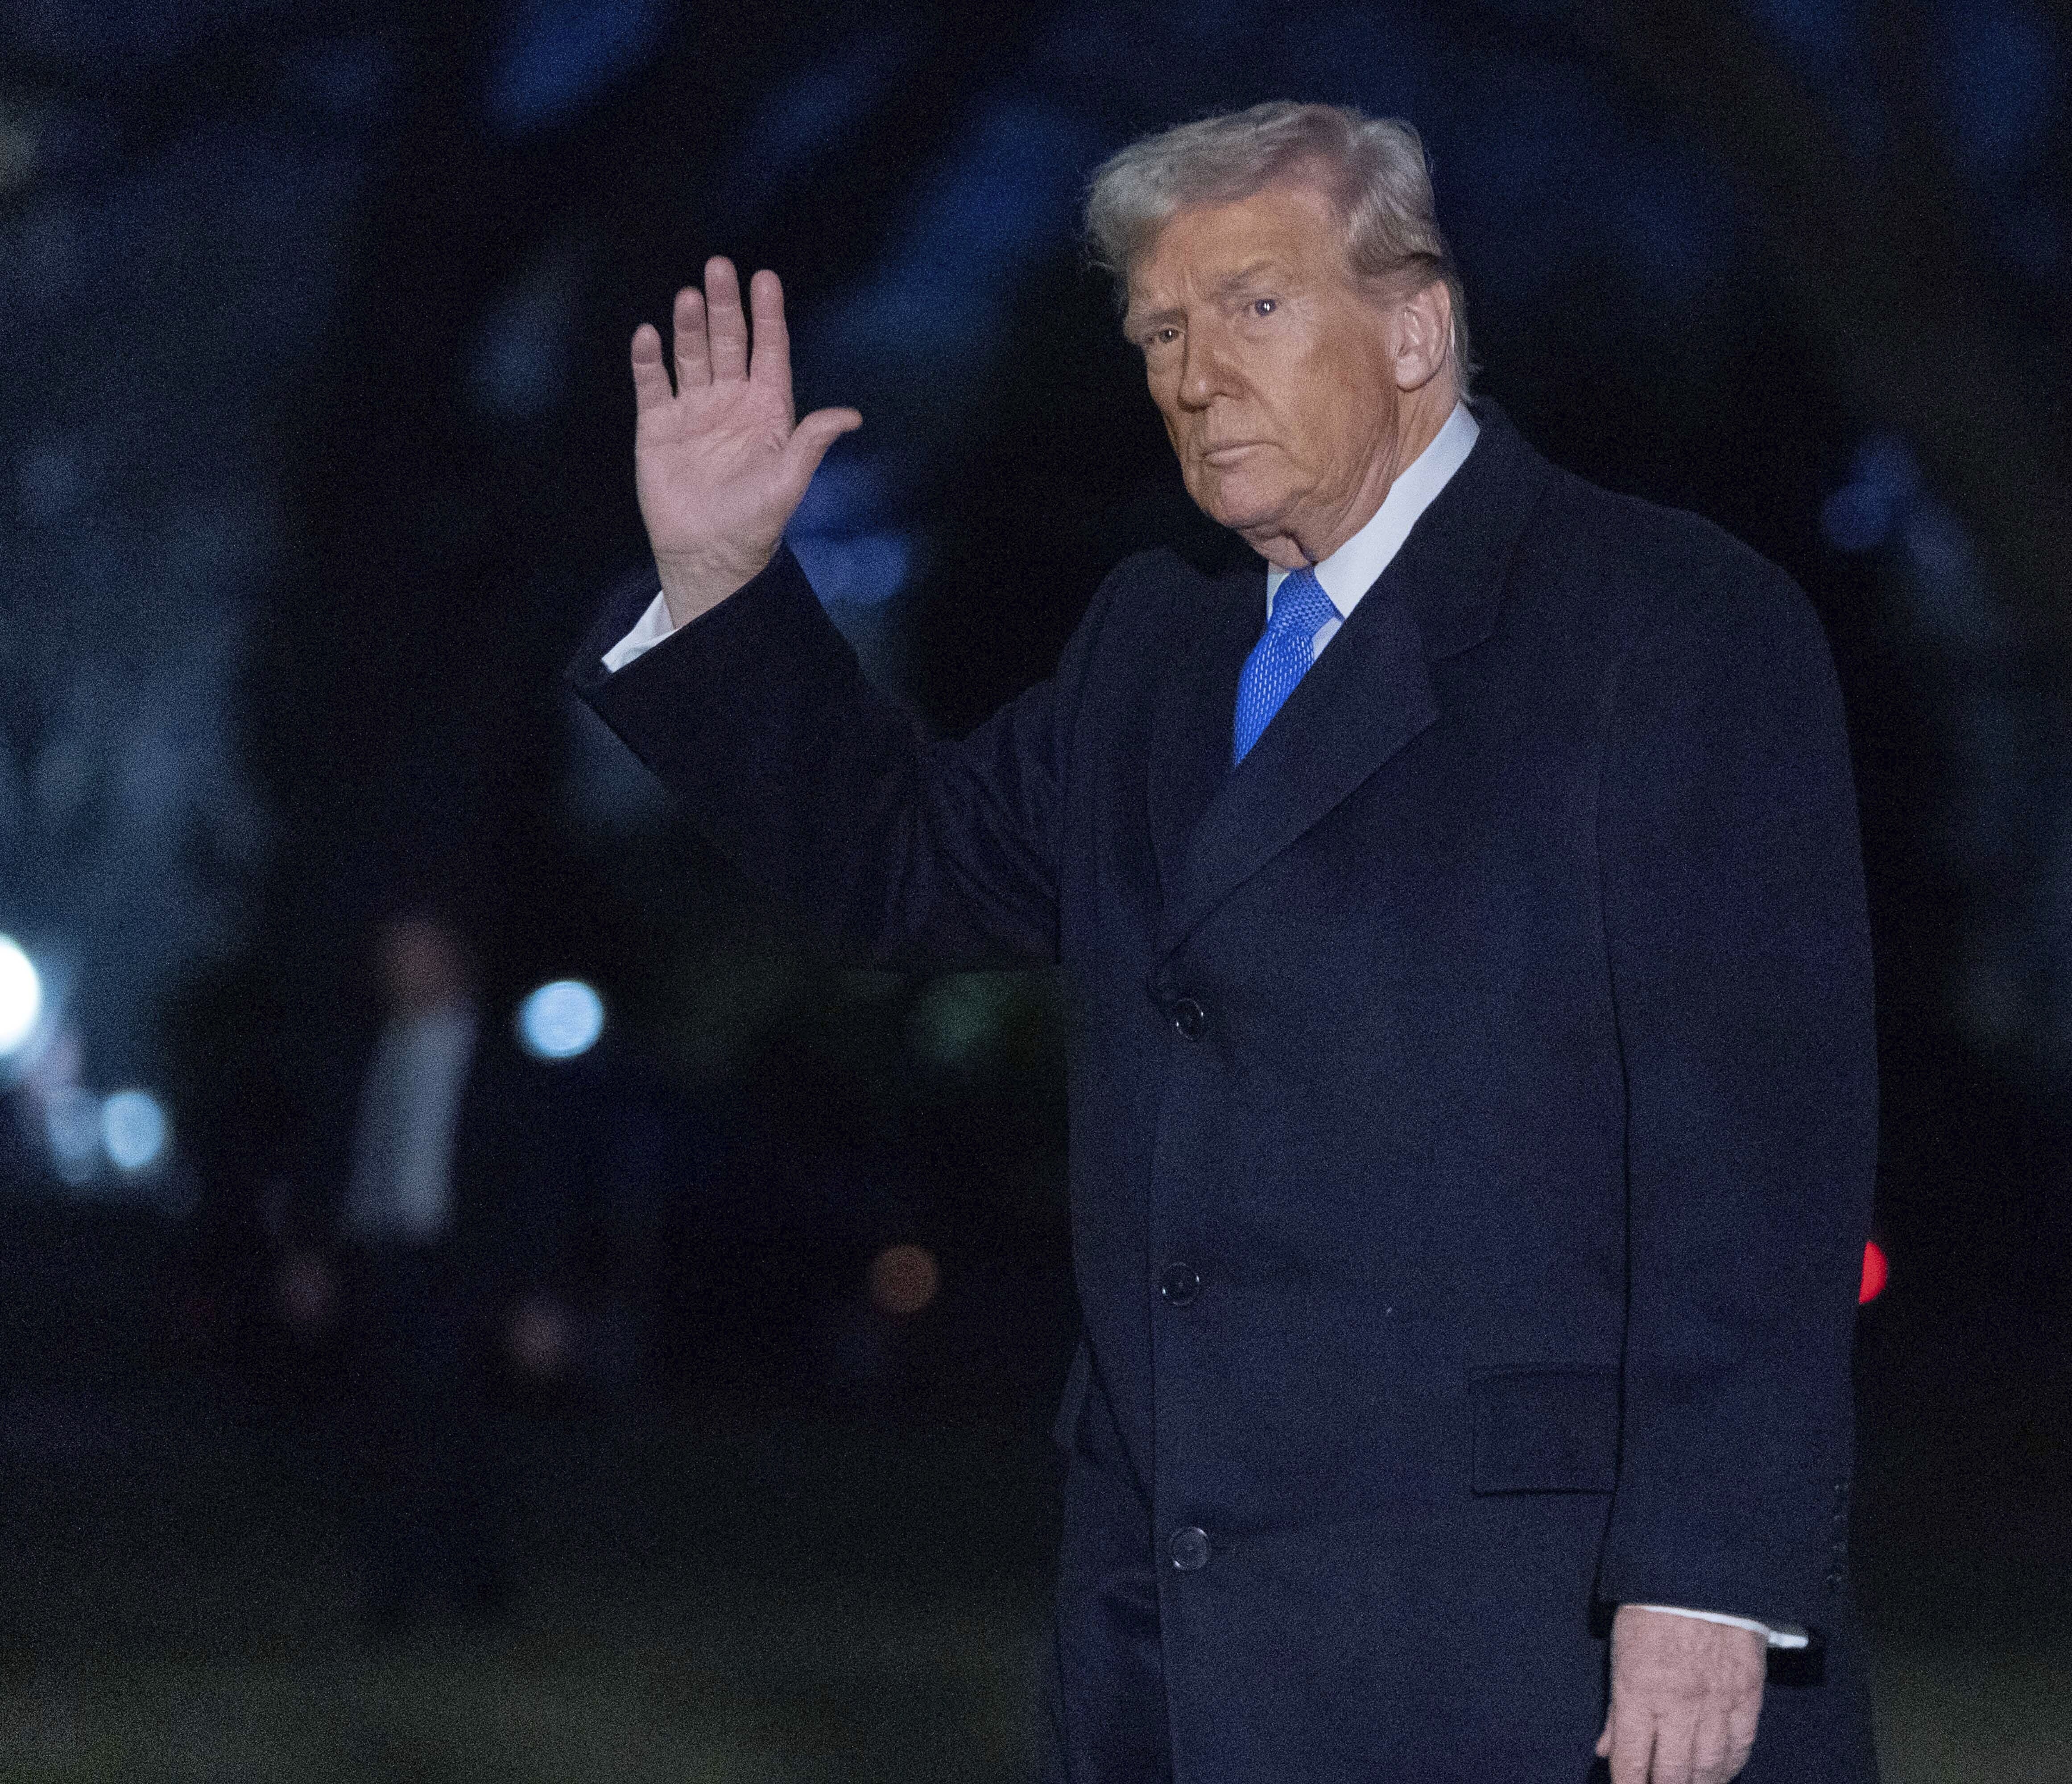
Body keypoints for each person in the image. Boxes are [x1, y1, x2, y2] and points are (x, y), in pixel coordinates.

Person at [572, 102, 1876, 1783]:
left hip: (1525, 1634)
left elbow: (1763, 1146)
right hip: (1173, 1631)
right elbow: (901, 870)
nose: (1193, 370)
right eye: (1159, 331)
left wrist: (1708, 1577)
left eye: (1252, 306)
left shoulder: (1665, 623)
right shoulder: (1153, 656)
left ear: (1419, 326)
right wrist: (726, 587)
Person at [279, 909, 578, 1635]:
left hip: (459, 1264)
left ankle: (463, 1583)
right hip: (375, 1259)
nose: (403, 970)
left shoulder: (501, 1061)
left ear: (454, 960)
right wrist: (311, 1256)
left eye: (419, 954)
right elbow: (326, 1159)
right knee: (377, 1425)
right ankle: (399, 1585)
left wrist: (534, 1295)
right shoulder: (361, 1053)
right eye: (394, 955)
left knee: (452, 1423)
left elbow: (535, 1183)